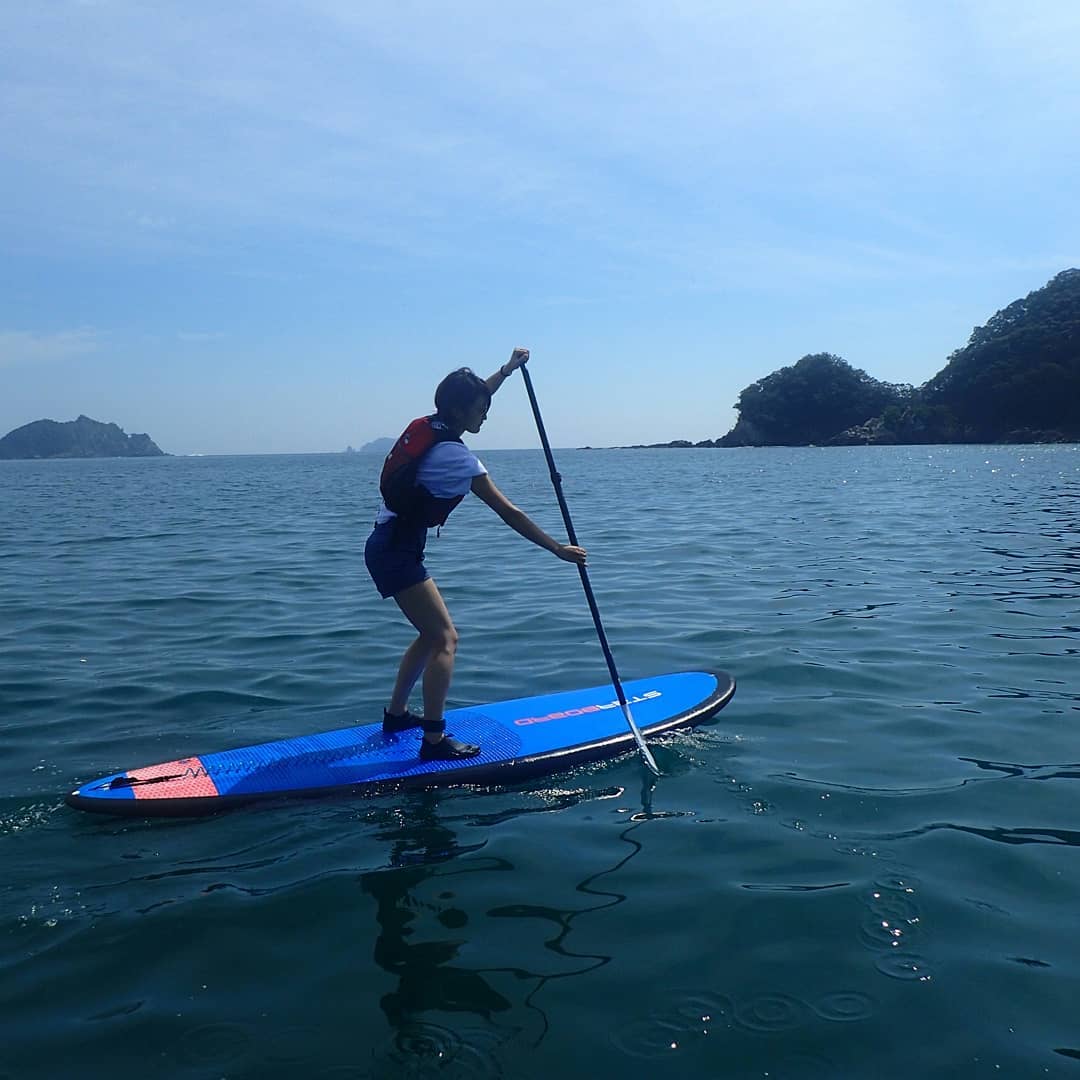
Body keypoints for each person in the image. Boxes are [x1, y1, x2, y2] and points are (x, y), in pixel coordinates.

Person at [365, 348, 588, 760]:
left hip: (390, 542)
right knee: (446, 638)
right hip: (396, 548)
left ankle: (397, 715)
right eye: (480, 410)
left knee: (430, 634)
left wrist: (506, 370)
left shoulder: (433, 426)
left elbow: (478, 392)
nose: (486, 414)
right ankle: (433, 740)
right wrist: (556, 548)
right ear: (459, 410)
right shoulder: (456, 457)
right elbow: (509, 511)